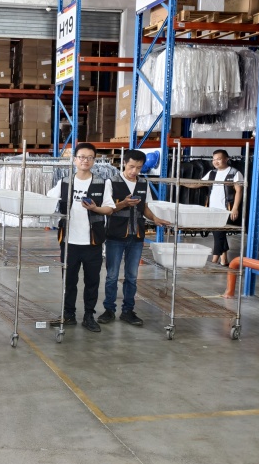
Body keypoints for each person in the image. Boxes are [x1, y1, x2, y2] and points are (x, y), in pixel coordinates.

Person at [46, 142, 113, 333]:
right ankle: (68, 315)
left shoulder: (102, 183)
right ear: (75, 159)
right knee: (69, 281)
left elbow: (109, 209)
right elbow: (48, 200)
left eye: (90, 157)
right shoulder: (64, 182)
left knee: (92, 282)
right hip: (69, 242)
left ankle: (89, 316)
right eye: (82, 157)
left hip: (92, 241)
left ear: (94, 160)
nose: (85, 160)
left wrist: (95, 208)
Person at [98, 149, 169, 327]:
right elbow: (107, 209)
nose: (134, 171)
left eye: (138, 168)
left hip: (136, 236)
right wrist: (123, 203)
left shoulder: (143, 183)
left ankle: (128, 311)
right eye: (131, 167)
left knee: (132, 276)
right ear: (124, 163)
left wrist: (155, 218)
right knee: (112, 276)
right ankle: (109, 310)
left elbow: (145, 208)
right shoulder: (111, 182)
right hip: (115, 235)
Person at [202, 150, 243, 266]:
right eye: (214, 159)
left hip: (226, 209)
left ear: (226, 159)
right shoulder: (212, 173)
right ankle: (224, 259)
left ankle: (214, 260)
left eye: (218, 159)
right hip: (212, 209)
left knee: (218, 233)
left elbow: (239, 191)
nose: (215, 162)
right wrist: (182, 182)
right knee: (219, 233)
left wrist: (235, 208)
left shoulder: (234, 173)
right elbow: (199, 183)